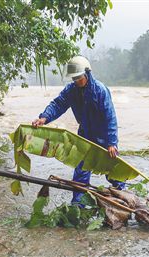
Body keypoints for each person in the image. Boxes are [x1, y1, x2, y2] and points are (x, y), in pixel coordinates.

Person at [32, 56, 125, 204]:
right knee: (81, 170)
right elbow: (58, 104)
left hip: (103, 137)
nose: (76, 81)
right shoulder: (71, 90)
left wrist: (111, 142)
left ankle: (123, 197)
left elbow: (110, 118)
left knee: (112, 170)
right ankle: (78, 204)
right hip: (84, 135)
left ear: (87, 73)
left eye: (79, 77)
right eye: (74, 78)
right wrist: (44, 118)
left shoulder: (100, 91)